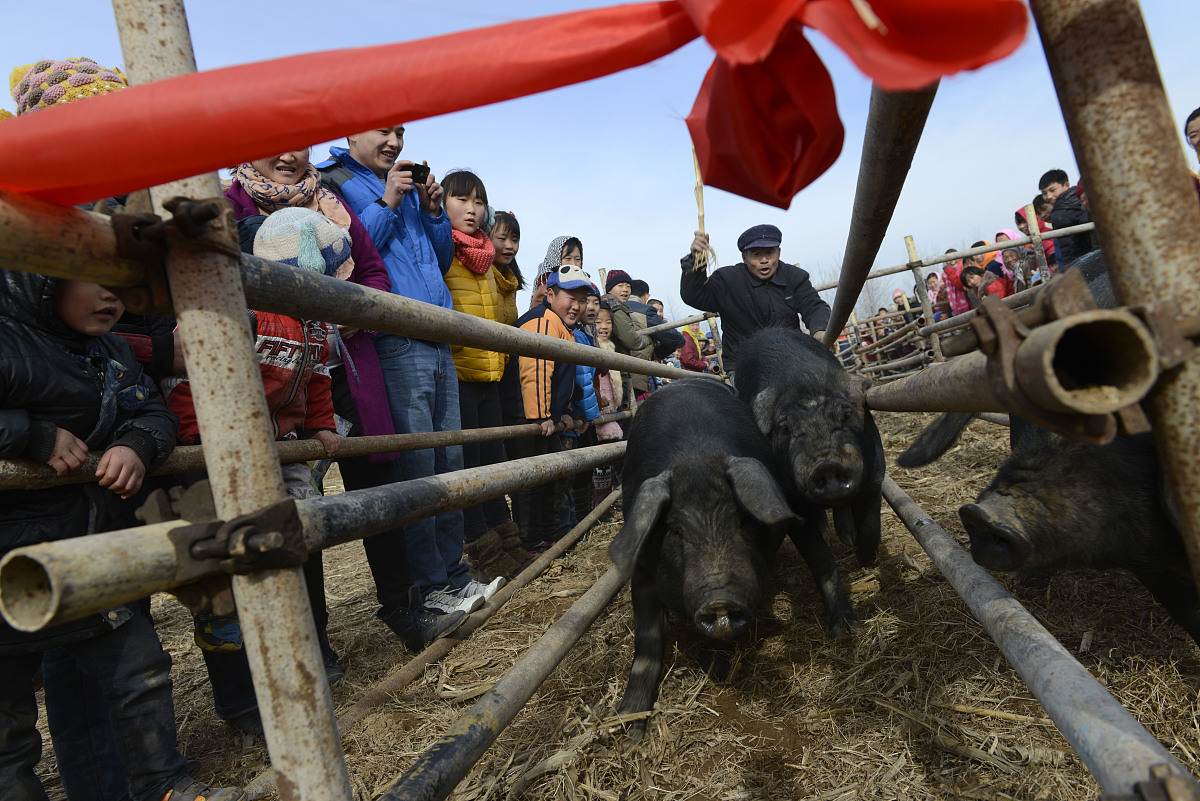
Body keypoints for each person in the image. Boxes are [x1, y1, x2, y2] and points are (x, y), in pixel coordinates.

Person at [0, 270, 243, 801]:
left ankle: (161, 785)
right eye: (90, 277)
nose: (113, 294)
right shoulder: (7, 340)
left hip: (86, 548)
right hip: (8, 561)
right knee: (7, 724)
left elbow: (153, 409)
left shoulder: (109, 350)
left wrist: (137, 442)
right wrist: (31, 436)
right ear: (39, 279)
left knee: (140, 669)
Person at [318, 126, 491, 619]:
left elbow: (438, 260)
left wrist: (434, 212)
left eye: (399, 131)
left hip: (436, 336)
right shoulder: (334, 183)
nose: (393, 141)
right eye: (382, 130)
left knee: (449, 461)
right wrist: (388, 201)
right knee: (418, 467)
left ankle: (456, 576)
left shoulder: (410, 186)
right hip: (394, 340)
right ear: (351, 131)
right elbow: (350, 255)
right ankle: (431, 585)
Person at [439, 169, 518, 589]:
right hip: (459, 372)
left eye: (478, 201)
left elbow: (503, 320)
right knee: (469, 469)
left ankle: (508, 545)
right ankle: (486, 553)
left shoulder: (487, 257)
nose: (471, 210)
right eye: (461, 200)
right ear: (443, 202)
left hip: (490, 372)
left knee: (493, 464)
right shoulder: (443, 248)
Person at [499, 263, 594, 554]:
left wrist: (562, 411)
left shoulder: (563, 327)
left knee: (550, 476)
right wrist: (542, 414)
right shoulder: (543, 321)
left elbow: (560, 378)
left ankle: (551, 537)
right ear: (550, 294)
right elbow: (535, 368)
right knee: (530, 481)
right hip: (525, 416)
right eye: (571, 298)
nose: (577, 306)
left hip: (543, 418)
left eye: (582, 300)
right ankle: (531, 542)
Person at [681, 225, 829, 372]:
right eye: (756, 254)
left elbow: (814, 306)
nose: (764, 260)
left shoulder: (794, 276)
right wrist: (696, 261)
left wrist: (820, 330)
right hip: (745, 367)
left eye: (770, 253)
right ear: (744, 258)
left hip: (791, 359)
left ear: (779, 253)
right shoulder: (727, 280)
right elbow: (695, 295)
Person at [591, 305, 623, 513]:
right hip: (598, 411)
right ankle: (598, 507)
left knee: (608, 466)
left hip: (610, 412)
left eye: (608, 322)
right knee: (598, 467)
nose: (604, 326)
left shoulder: (611, 346)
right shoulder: (594, 346)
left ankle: (607, 504)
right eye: (599, 322)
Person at [1039, 168, 1095, 268]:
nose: (1048, 196)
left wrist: (1069, 270)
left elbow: (1067, 249)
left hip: (1080, 264)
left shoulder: (1059, 212)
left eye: (1052, 190)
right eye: (1044, 193)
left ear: (1066, 185)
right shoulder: (1078, 200)